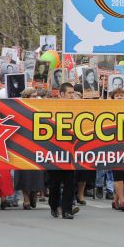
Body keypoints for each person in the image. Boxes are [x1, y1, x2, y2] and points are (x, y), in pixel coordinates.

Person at [48, 83, 80, 219]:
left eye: (73, 93)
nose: (72, 95)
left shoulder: (77, 108)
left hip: (70, 151)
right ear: (61, 94)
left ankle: (67, 209)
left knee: (70, 182)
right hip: (55, 151)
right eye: (69, 93)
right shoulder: (52, 108)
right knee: (54, 183)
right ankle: (54, 205)